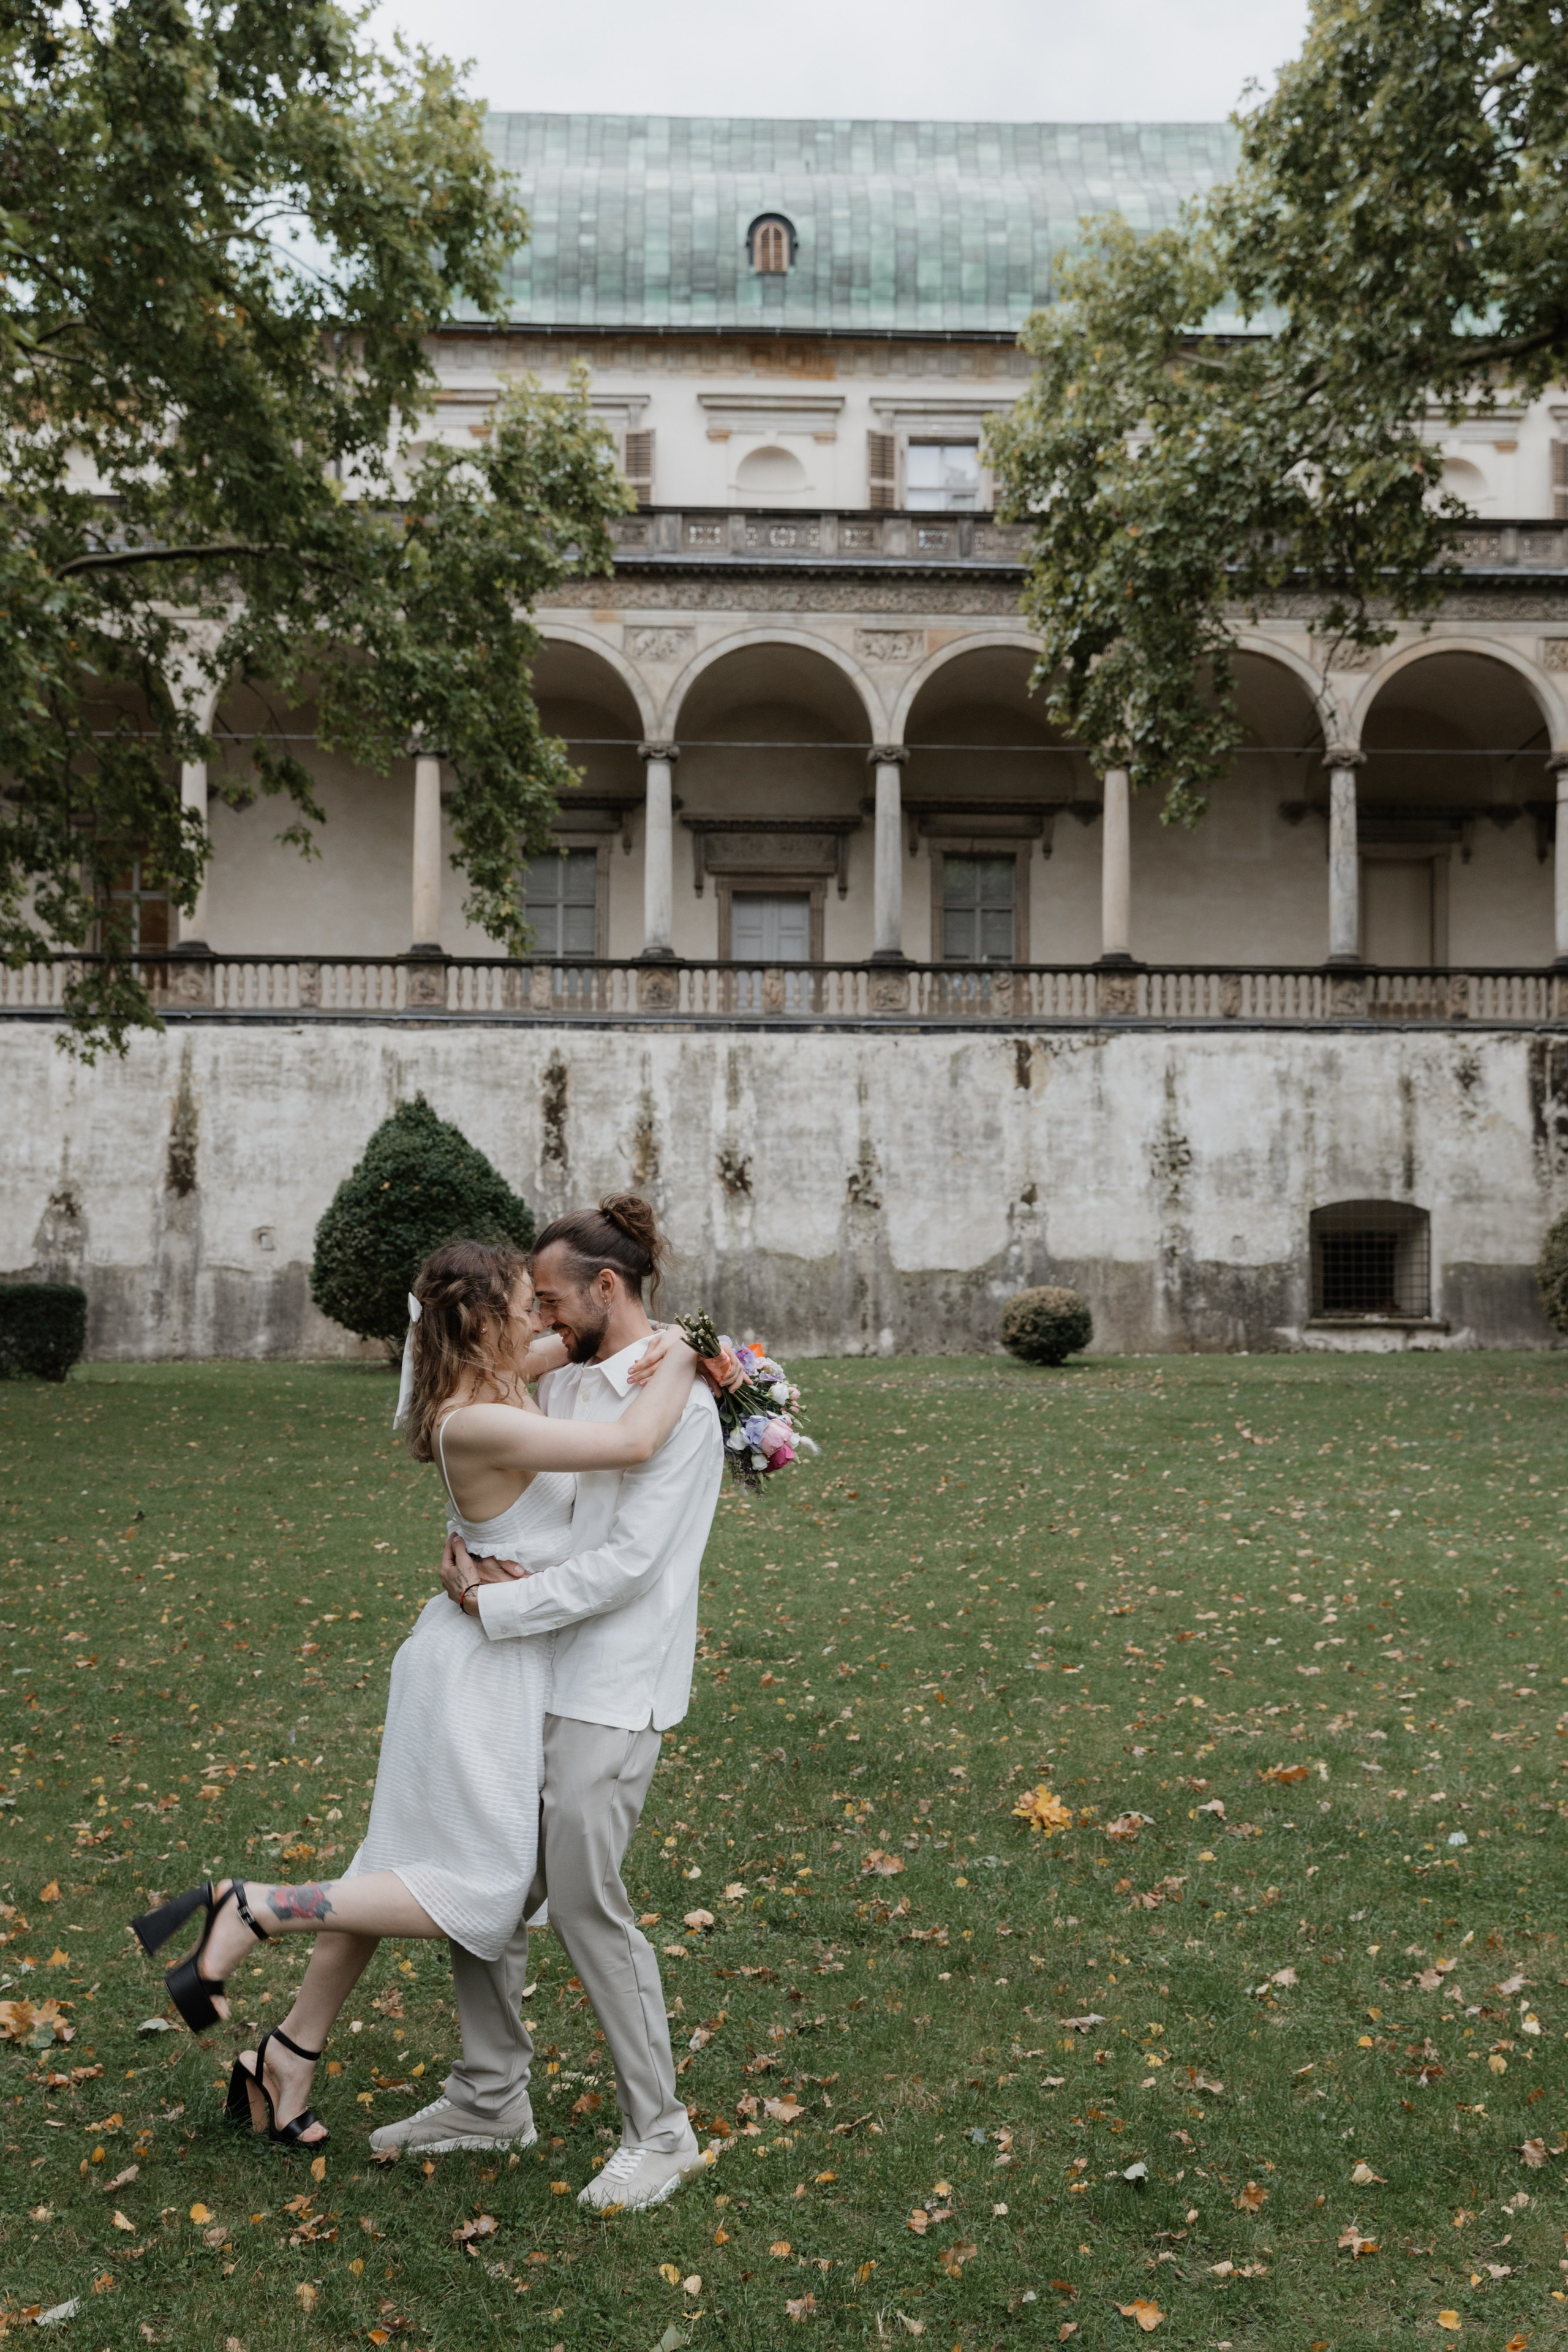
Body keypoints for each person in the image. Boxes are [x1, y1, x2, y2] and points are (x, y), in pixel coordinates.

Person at [129, 1231, 700, 2154]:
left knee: (389, 1863)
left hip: (491, 1657)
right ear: (483, 1321)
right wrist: (697, 1355)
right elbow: (633, 1439)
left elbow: (596, 1345)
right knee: (475, 1892)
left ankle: (287, 2057)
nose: (541, 1318)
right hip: (478, 1668)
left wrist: (675, 1346)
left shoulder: (506, 1376)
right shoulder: (480, 1418)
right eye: (525, 1304)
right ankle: (258, 1904)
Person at [375, 1195, 726, 2215]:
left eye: (551, 1298)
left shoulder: (682, 1402)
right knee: (481, 1878)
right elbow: (456, 1420)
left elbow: (626, 1565)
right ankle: (489, 2098)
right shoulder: (569, 1379)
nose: (537, 1315)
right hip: (529, 1671)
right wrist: (497, 1567)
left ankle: (661, 2134)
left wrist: (495, 1600)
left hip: (610, 1688)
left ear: (604, 1289)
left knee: (582, 1902)